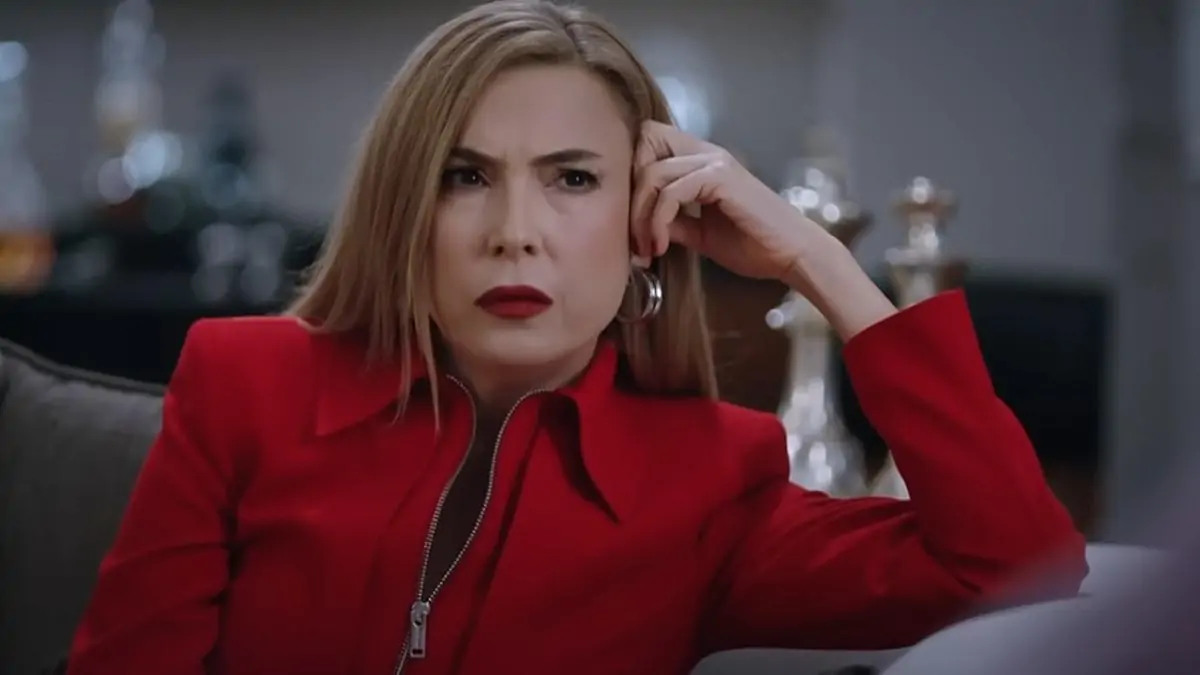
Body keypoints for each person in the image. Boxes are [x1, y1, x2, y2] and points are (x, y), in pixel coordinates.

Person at [65, 2, 1087, 674]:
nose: (516, 230)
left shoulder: (710, 478)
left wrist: (812, 256)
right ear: (402, 210)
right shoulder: (245, 381)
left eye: (573, 178)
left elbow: (1018, 560)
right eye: (465, 176)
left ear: (647, 220)